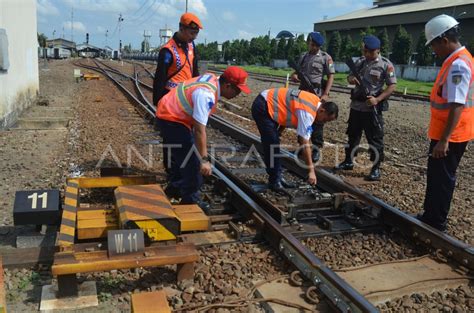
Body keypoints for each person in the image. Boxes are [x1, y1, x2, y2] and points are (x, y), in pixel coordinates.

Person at [156, 66, 250, 206]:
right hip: (172, 119)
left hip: (172, 114)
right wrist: (204, 160)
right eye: (237, 90)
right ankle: (190, 202)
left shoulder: (212, 80)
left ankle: (174, 189)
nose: (238, 94)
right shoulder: (205, 94)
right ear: (227, 85)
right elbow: (199, 130)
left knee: (184, 158)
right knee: (194, 165)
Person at [418, 15, 473, 231]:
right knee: (436, 176)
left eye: (433, 44)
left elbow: (457, 105)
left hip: (452, 135)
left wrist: (444, 140)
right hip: (447, 133)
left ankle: (436, 222)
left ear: (443, 40)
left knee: (442, 179)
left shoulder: (458, 65)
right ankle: (430, 215)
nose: (433, 50)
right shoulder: (456, 60)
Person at [334, 35, 397, 181]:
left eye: (369, 52)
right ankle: (349, 161)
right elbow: (349, 77)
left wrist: (378, 99)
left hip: (371, 108)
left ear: (377, 50)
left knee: (375, 139)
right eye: (364, 51)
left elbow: (392, 85)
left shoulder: (386, 65)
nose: (366, 54)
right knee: (352, 135)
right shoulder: (361, 61)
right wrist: (351, 79)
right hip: (356, 106)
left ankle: (375, 169)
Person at [251, 88, 339, 191]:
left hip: (269, 103)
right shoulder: (308, 113)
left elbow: (288, 108)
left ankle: (277, 177)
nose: (323, 123)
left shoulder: (315, 102)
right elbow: (304, 142)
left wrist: (279, 131)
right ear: (322, 110)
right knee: (272, 145)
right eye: (325, 119)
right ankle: (275, 181)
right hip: (264, 106)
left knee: (274, 143)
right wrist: (311, 171)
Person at [291, 32, 335, 162]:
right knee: (301, 120)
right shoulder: (303, 56)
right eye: (312, 44)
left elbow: (331, 76)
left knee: (317, 121)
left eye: (316, 46)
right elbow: (297, 72)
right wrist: (294, 76)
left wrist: (326, 93)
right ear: (309, 43)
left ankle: (315, 149)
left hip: (316, 93)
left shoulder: (325, 58)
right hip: (302, 93)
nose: (314, 47)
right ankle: (302, 147)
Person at [152, 12, 202, 106]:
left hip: (187, 96)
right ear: (181, 28)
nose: (194, 37)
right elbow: (159, 78)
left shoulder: (191, 46)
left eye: (196, 33)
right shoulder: (167, 51)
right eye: (192, 33)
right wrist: (157, 102)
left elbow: (194, 70)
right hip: (171, 97)